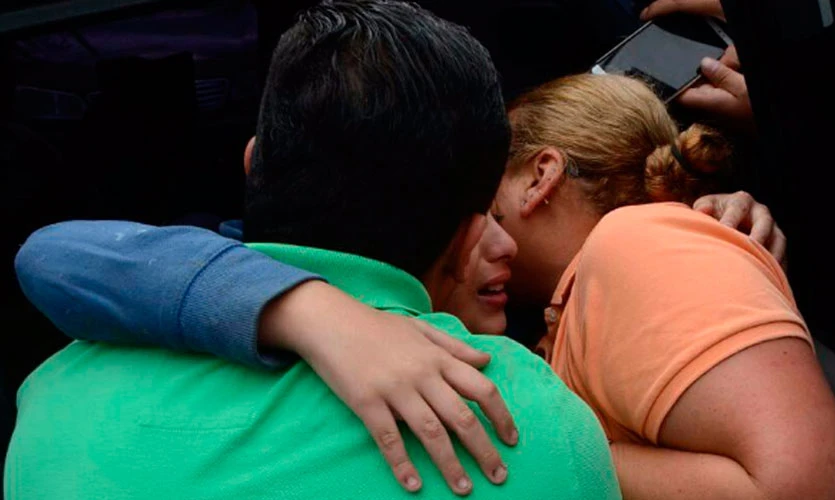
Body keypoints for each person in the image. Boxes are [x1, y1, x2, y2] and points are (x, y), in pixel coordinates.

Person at [4, 2, 622, 499]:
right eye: (492, 217)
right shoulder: (530, 424)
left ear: (253, 163)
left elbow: (48, 254)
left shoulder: (56, 395)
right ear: (468, 238)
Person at [491, 72, 835, 498]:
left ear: (540, 176)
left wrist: (560, 445)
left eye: (485, 184)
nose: (471, 213)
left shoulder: (632, 243)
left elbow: (814, 489)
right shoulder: (582, 297)